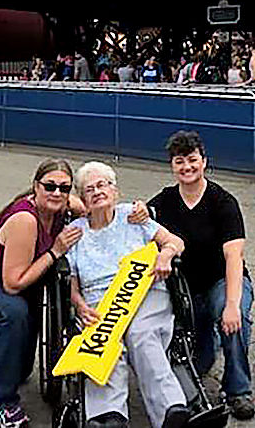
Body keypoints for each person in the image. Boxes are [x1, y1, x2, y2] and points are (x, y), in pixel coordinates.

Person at [0, 159, 86, 428]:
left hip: (22, 288)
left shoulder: (61, 206)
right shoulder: (25, 219)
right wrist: (55, 251)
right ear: (36, 186)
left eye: (64, 188)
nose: (57, 193)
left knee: (21, 370)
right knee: (14, 314)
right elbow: (13, 284)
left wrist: (136, 212)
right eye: (50, 186)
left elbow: (90, 207)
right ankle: (3, 404)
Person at [68, 162, 190, 428]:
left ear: (115, 191)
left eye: (102, 185)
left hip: (144, 290)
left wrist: (165, 256)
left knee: (141, 333)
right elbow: (72, 283)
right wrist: (78, 304)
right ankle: (108, 415)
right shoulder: (75, 232)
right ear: (82, 199)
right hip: (99, 300)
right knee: (106, 341)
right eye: (89, 189)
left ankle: (170, 409)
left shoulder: (132, 216)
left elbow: (175, 241)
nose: (97, 191)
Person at [148, 131, 255, 421]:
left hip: (222, 281)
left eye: (192, 160)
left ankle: (238, 390)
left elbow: (234, 257)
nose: (187, 167)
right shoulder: (164, 201)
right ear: (172, 166)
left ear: (204, 161)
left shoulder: (223, 202)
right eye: (179, 161)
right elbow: (137, 222)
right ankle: (206, 352)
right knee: (199, 361)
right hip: (186, 290)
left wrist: (231, 304)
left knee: (233, 320)